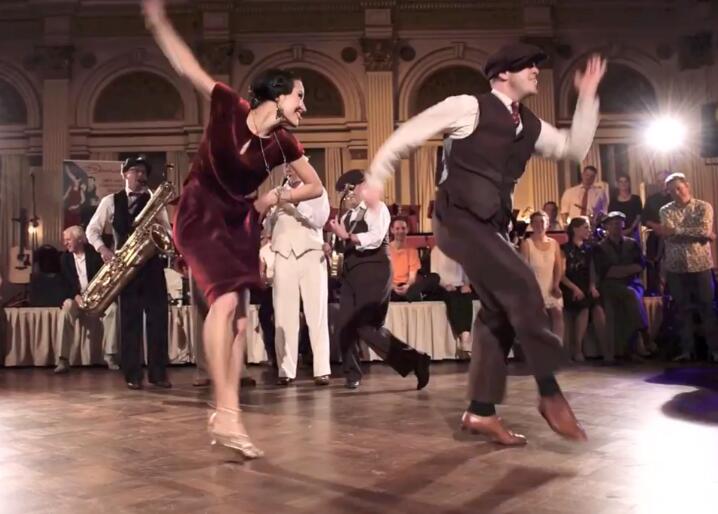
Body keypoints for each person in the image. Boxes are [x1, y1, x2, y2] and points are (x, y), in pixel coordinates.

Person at [367, 43, 606, 445]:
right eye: (527, 65)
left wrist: (586, 96)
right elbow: (410, 132)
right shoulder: (469, 106)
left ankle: (480, 410)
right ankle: (549, 392)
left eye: (537, 65)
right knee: (523, 284)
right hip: (457, 218)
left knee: (498, 313)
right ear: (502, 74)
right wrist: (377, 176)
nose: (536, 70)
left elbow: (573, 147)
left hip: (491, 226)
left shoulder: (529, 124)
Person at [143, 0, 323, 459]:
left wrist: (271, 198)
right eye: (299, 96)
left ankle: (227, 413)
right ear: (277, 96)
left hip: (240, 221)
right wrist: (159, 23)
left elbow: (315, 186)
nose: (304, 105)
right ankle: (226, 412)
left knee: (241, 320)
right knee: (223, 303)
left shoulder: (285, 143)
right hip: (200, 212)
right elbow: (187, 66)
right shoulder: (228, 103)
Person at [328, 170, 431, 391]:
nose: (347, 196)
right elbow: (343, 247)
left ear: (360, 187)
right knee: (344, 325)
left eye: (349, 190)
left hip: (374, 270)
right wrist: (332, 246)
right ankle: (352, 373)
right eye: (345, 193)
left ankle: (415, 360)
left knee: (367, 327)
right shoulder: (346, 217)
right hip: (351, 274)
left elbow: (375, 238)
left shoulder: (377, 208)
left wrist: (348, 236)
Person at [86, 155, 172, 391]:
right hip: (126, 268)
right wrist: (103, 249)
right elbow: (92, 230)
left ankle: (158, 374)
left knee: (158, 321)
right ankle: (133, 375)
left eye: (144, 172)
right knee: (130, 323)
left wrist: (161, 235)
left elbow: (167, 231)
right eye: (136, 171)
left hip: (152, 267)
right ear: (125, 174)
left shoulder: (154, 200)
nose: (141, 176)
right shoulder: (110, 201)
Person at [268, 161, 332, 386]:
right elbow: (268, 228)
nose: (290, 170)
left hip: (311, 255)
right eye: (287, 166)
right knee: (284, 315)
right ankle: (286, 369)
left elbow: (320, 220)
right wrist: (271, 213)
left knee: (317, 314)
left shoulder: (317, 190)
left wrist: (293, 201)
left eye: (294, 165)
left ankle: (321, 369)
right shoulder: (276, 192)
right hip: (284, 256)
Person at [656, 173, 718, 362]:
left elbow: (704, 230)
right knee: (682, 310)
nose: (676, 193)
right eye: (671, 190)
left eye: (679, 188)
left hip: (701, 265)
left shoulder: (703, 207)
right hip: (676, 268)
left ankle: (714, 350)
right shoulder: (665, 210)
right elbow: (669, 234)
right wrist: (700, 234)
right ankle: (687, 350)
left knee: (707, 308)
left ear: (687, 186)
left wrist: (677, 230)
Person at [54, 225, 118, 374]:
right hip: (76, 299)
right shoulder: (64, 258)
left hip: (97, 298)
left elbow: (106, 278)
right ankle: (63, 359)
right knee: (67, 307)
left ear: (80, 240)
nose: (65, 243)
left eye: (68, 240)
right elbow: (63, 284)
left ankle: (110, 355)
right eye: (65, 240)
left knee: (113, 309)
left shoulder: (95, 255)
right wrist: (75, 296)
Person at [593, 212, 650, 361]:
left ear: (623, 225)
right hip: (609, 285)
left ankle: (632, 347)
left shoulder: (633, 244)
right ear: (606, 226)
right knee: (631, 295)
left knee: (632, 295)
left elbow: (641, 265)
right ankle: (644, 333)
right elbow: (606, 272)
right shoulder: (599, 247)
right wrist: (628, 269)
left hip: (632, 283)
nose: (616, 226)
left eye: (619, 223)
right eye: (612, 224)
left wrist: (620, 270)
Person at [560, 217, 609, 363]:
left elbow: (593, 271)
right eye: (586, 227)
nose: (589, 230)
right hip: (569, 285)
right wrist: (575, 289)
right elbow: (561, 275)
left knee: (596, 305)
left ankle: (605, 350)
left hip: (586, 285)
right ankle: (576, 349)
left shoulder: (590, 248)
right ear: (575, 229)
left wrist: (592, 286)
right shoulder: (564, 249)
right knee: (583, 305)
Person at [520, 211, 564, 342]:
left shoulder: (554, 243)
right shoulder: (526, 244)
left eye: (542, 222)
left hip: (551, 286)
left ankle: (558, 347)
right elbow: (524, 269)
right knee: (539, 321)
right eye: (536, 222)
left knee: (557, 314)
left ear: (547, 224)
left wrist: (556, 284)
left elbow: (558, 267)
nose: (540, 225)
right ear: (532, 224)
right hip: (534, 287)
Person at [430, 244, 473, 357]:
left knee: (466, 297)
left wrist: (467, 284)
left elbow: (467, 271)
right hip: (443, 286)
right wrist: (445, 285)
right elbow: (434, 274)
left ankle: (465, 337)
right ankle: (464, 338)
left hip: (460, 284)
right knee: (452, 298)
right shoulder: (436, 251)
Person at [388, 216, 440, 301]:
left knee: (435, 277)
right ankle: (410, 295)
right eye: (397, 229)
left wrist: (407, 286)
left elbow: (412, 278)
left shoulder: (412, 251)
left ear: (407, 230)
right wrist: (393, 287)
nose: (400, 231)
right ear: (392, 230)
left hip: (409, 287)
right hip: (391, 287)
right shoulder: (385, 251)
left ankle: (411, 294)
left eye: (403, 228)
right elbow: (383, 277)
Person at [641, 170, 673, 294]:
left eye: (664, 180)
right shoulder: (652, 199)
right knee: (653, 267)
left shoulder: (675, 198)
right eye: (659, 181)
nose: (661, 183)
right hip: (655, 238)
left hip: (673, 239)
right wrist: (655, 226)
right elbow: (644, 219)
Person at [608, 175, 642, 242]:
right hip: (617, 232)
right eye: (621, 182)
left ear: (629, 183)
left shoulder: (636, 199)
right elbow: (610, 217)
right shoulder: (613, 201)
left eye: (625, 181)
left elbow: (639, 216)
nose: (623, 184)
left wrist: (630, 229)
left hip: (633, 233)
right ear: (618, 184)